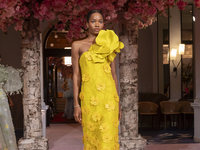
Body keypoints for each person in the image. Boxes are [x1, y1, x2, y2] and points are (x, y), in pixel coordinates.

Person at [72, 10, 124, 149]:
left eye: (100, 21)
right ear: (87, 23)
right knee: (92, 136)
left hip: (108, 98)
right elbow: (76, 76)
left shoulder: (109, 44)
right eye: (93, 21)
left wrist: (118, 102)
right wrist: (76, 104)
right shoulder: (77, 45)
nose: (97, 24)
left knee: (108, 138)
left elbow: (114, 75)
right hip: (89, 98)